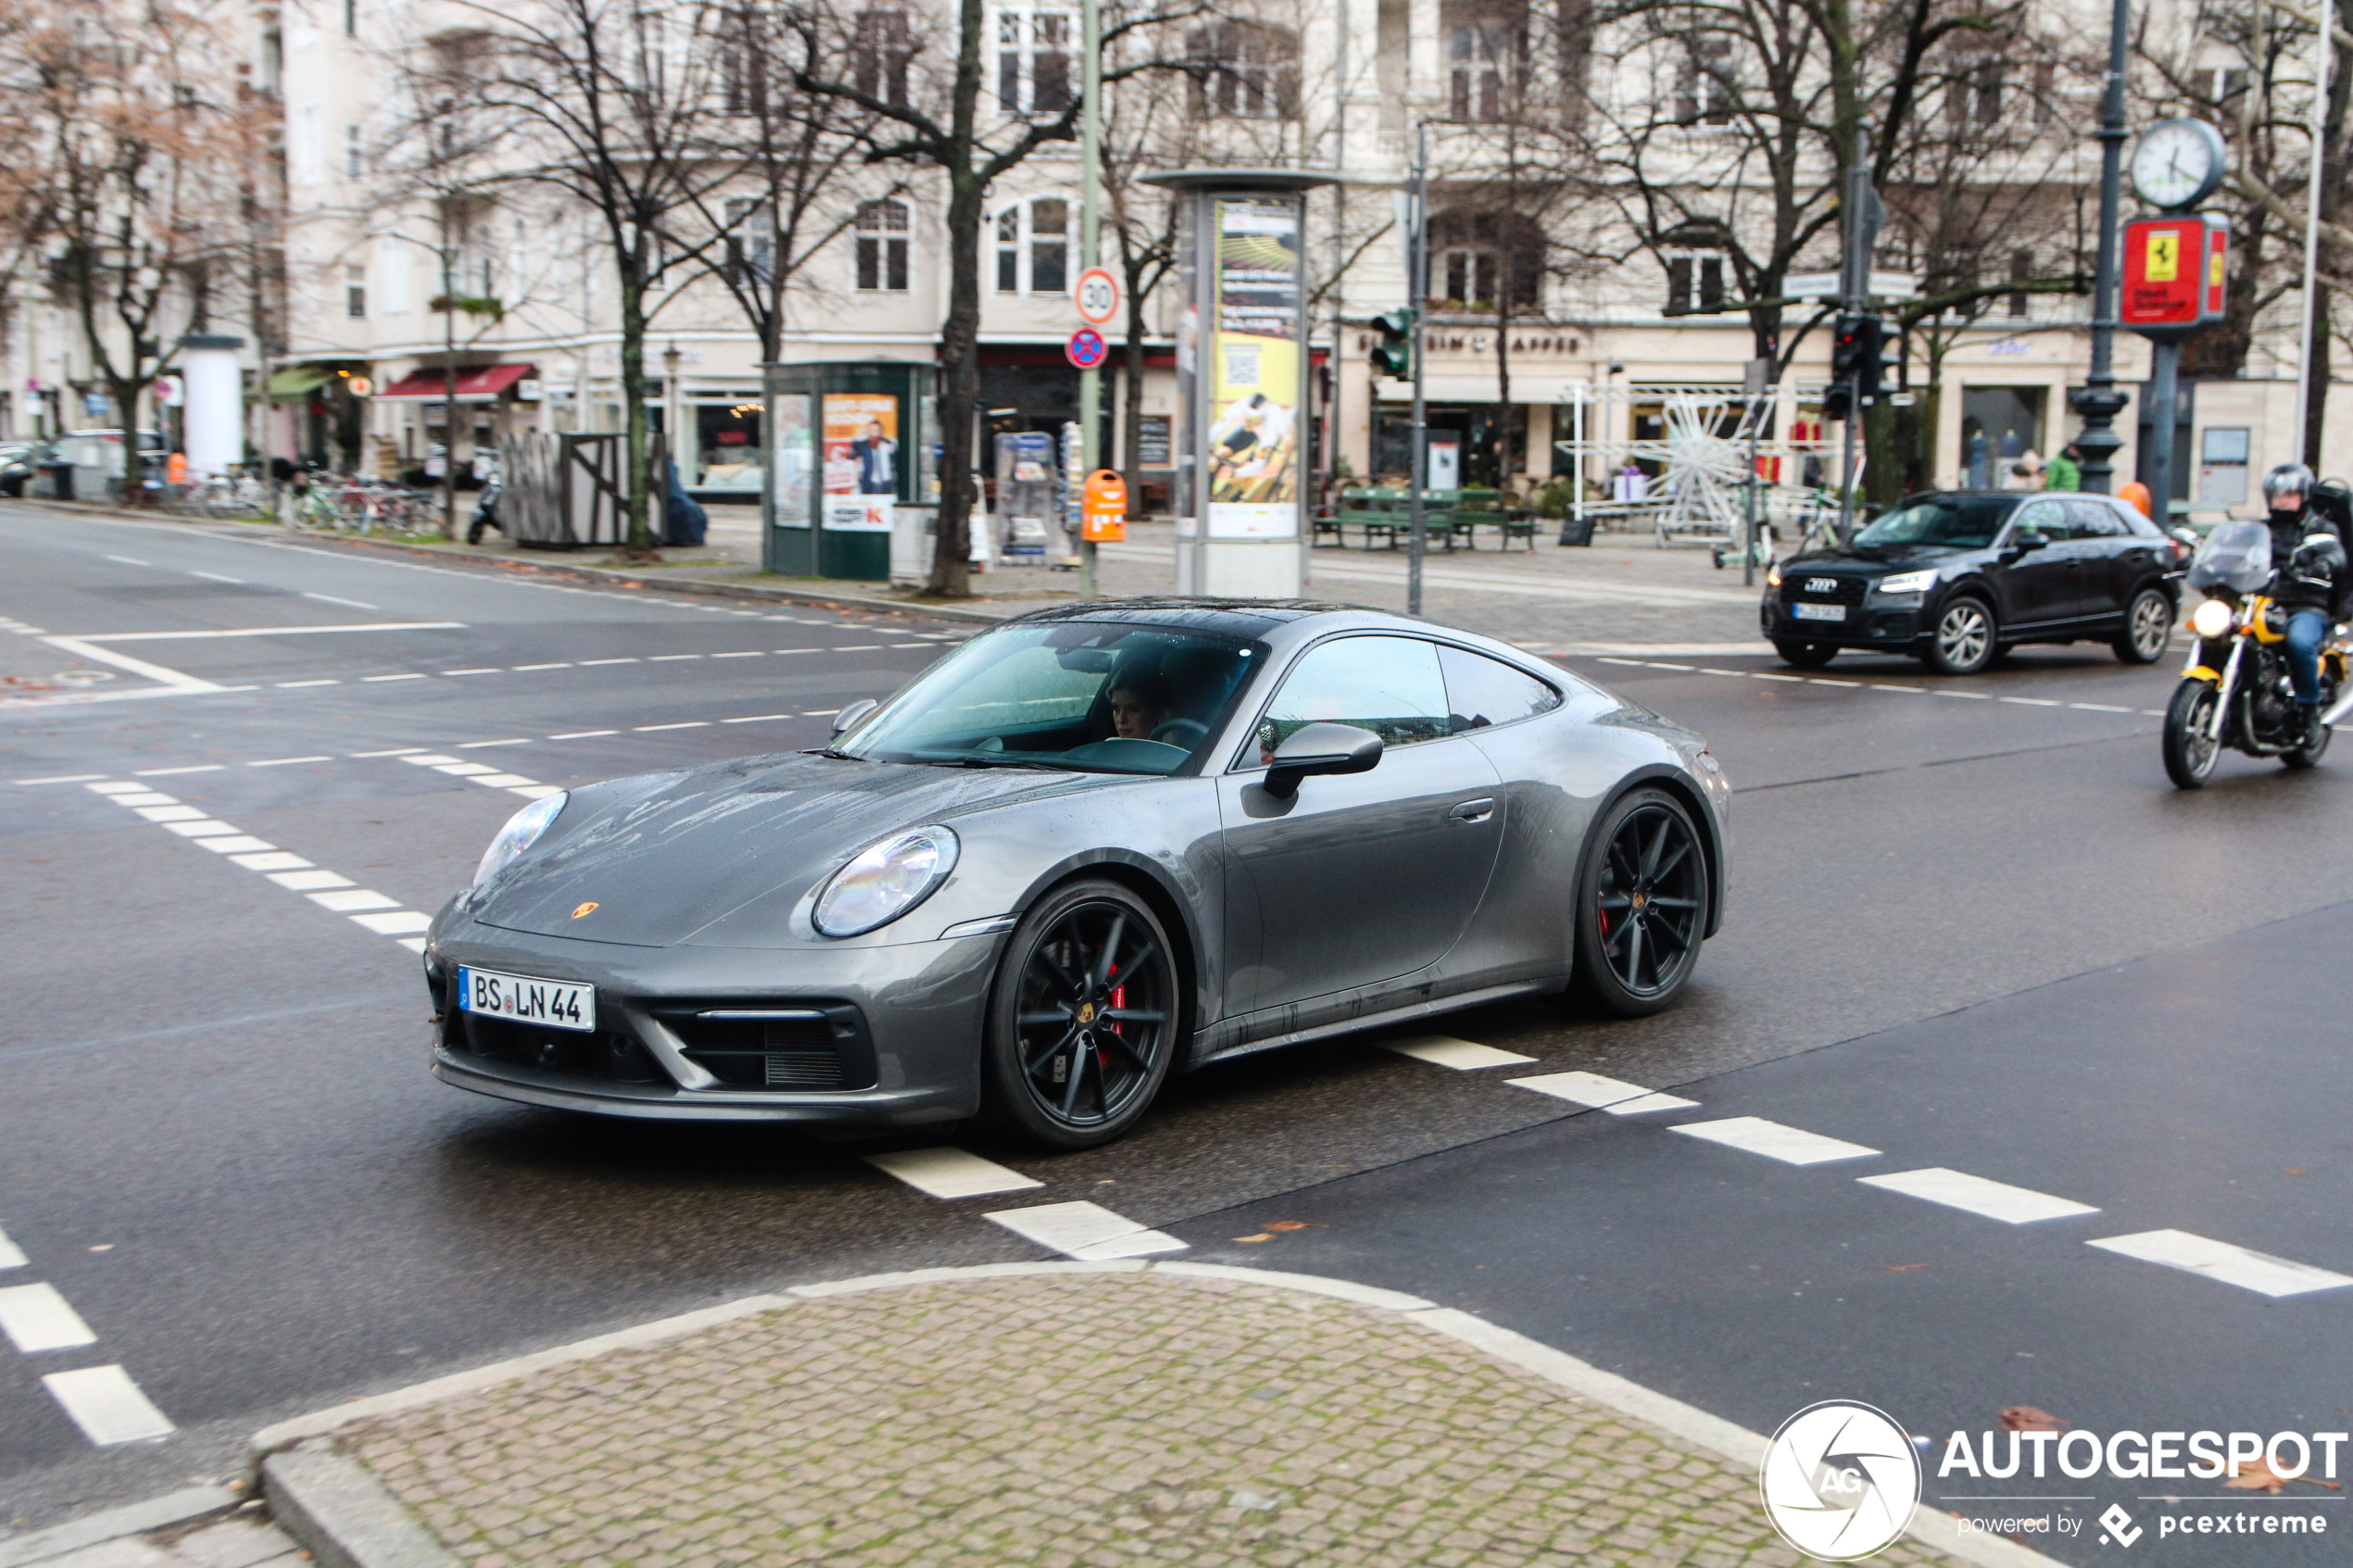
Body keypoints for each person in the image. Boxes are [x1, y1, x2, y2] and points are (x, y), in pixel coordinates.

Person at [2258, 462, 2346, 749]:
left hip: (2306, 604)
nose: (2282, 500)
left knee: (2299, 642)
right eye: (2277, 495)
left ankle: (2308, 709)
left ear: (2304, 495)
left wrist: (2322, 562)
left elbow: (2334, 553)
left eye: (2289, 494)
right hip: (2264, 602)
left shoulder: (2319, 526)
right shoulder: (2261, 529)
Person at [1106, 669, 1174, 742]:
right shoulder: (1110, 746)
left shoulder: (1175, 751)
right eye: (1116, 708)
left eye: (1133, 709)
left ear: (1160, 712)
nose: (1121, 719)